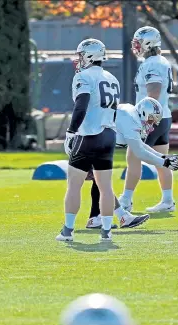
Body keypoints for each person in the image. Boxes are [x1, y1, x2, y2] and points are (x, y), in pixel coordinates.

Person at [57, 39, 119, 243]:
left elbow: (81, 106)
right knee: (105, 186)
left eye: (82, 55)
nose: (79, 59)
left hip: (88, 135)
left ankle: (67, 231)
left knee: (74, 185)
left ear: (89, 56)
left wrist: (71, 131)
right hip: (109, 134)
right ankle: (106, 232)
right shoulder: (112, 78)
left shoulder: (83, 77)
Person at [86, 97, 178, 229]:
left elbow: (140, 146)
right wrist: (164, 162)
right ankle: (122, 217)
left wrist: (162, 156)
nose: (151, 125)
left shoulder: (132, 115)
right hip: (85, 142)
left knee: (99, 181)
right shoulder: (131, 119)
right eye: (150, 120)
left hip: (92, 141)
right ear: (143, 113)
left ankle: (95, 218)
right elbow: (140, 153)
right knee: (101, 181)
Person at [120, 26, 175, 213]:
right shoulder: (161, 61)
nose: (136, 47)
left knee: (133, 157)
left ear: (148, 43)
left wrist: (145, 121)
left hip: (152, 118)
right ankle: (168, 200)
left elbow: (154, 91)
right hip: (164, 116)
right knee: (161, 159)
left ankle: (126, 200)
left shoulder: (152, 63)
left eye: (138, 43)